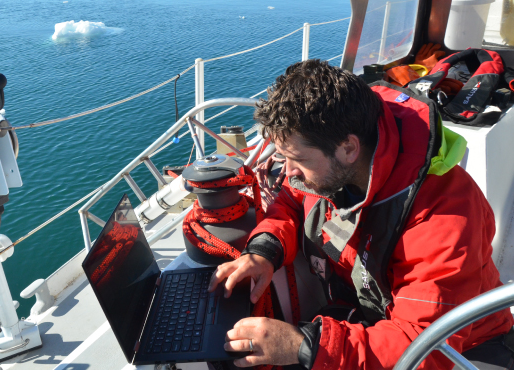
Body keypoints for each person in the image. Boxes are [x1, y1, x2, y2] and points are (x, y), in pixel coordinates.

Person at [208, 60, 514, 369]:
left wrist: (305, 347)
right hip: (366, 317)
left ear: (349, 148)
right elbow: (290, 198)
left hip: (460, 350)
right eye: (283, 157)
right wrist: (263, 250)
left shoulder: (445, 216)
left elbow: (425, 346)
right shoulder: (326, 161)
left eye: (296, 159)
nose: (288, 172)